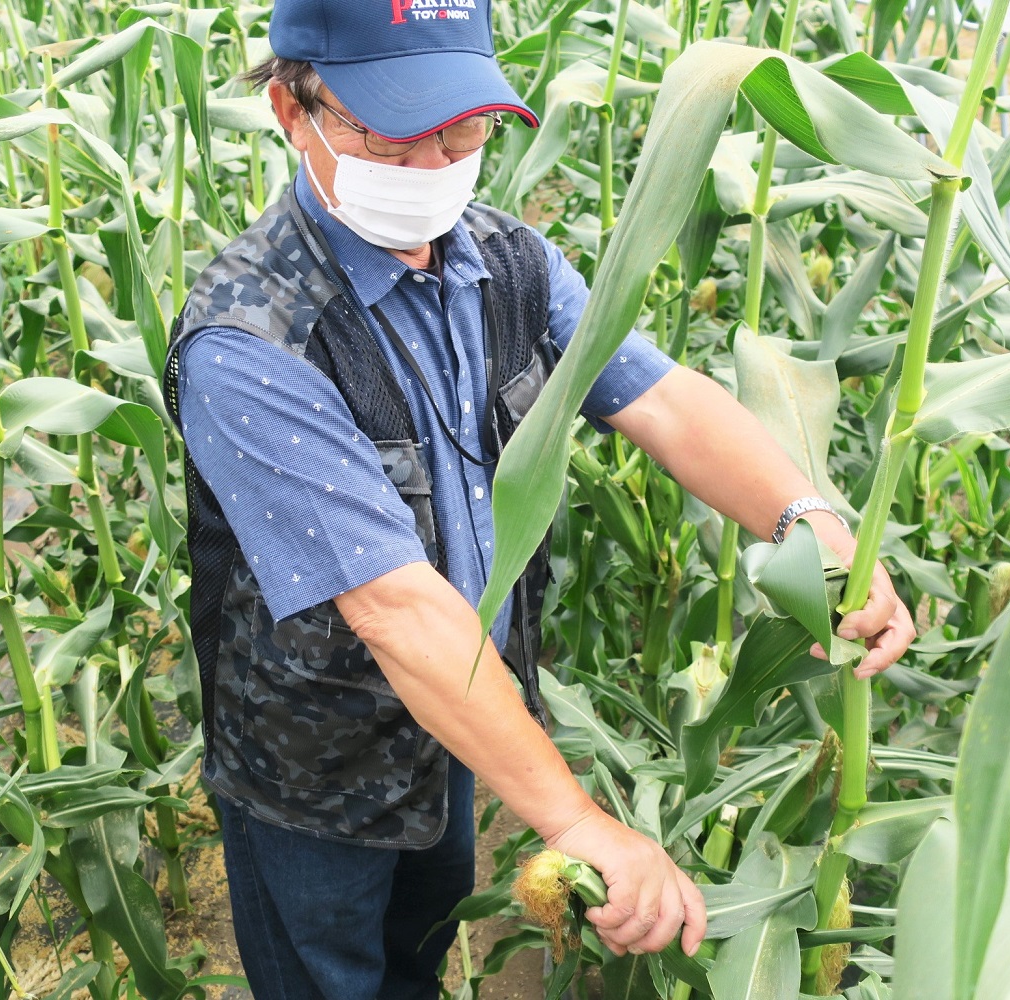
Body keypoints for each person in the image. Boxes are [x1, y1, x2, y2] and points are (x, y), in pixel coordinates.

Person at [162, 3, 917, 998]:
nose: (434, 162)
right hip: (315, 767)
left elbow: (666, 402)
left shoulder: (506, 262)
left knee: (415, 961)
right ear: (291, 110)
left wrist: (806, 519)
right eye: (393, 130)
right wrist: (572, 818)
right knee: (326, 978)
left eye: (463, 126)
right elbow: (393, 605)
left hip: (464, 733)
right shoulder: (250, 339)